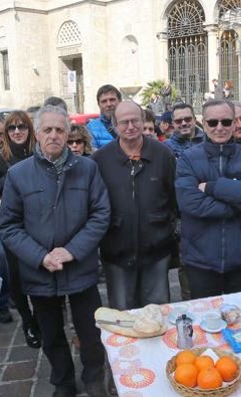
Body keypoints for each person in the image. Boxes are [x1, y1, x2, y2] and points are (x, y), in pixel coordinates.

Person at [0, 105, 111, 397]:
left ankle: (94, 378)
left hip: (80, 267)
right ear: (37, 134)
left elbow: (100, 215)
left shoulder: (87, 169)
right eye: (47, 130)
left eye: (59, 130)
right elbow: (8, 226)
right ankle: (62, 381)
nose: (53, 135)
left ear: (68, 133)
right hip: (40, 271)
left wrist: (72, 251)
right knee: (51, 334)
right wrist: (40, 256)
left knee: (90, 331)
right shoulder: (18, 174)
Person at [176, 99, 241, 298]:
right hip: (201, 261)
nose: (220, 127)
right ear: (204, 123)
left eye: (226, 122)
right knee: (206, 324)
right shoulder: (188, 159)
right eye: (213, 122)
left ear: (235, 122)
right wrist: (238, 200)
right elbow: (190, 202)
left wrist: (211, 187)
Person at [93, 101, 177, 310]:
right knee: (124, 316)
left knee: (157, 314)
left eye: (135, 121)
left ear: (143, 121)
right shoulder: (101, 160)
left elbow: (174, 200)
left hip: (156, 250)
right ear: (114, 126)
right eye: (124, 122)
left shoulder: (163, 155)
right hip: (117, 251)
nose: (130, 126)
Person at [0, 111, 41, 348]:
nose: (17, 132)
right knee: (17, 278)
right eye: (11, 128)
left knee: (42, 274)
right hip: (13, 226)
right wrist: (10, 178)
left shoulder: (40, 153)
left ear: (30, 129)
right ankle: (28, 321)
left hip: (41, 225)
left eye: (22, 127)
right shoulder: (0, 159)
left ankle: (42, 318)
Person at [86, 84, 121, 149]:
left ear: (120, 101)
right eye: (104, 101)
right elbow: (93, 155)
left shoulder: (130, 123)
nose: (109, 104)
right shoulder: (91, 128)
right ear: (98, 105)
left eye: (112, 100)